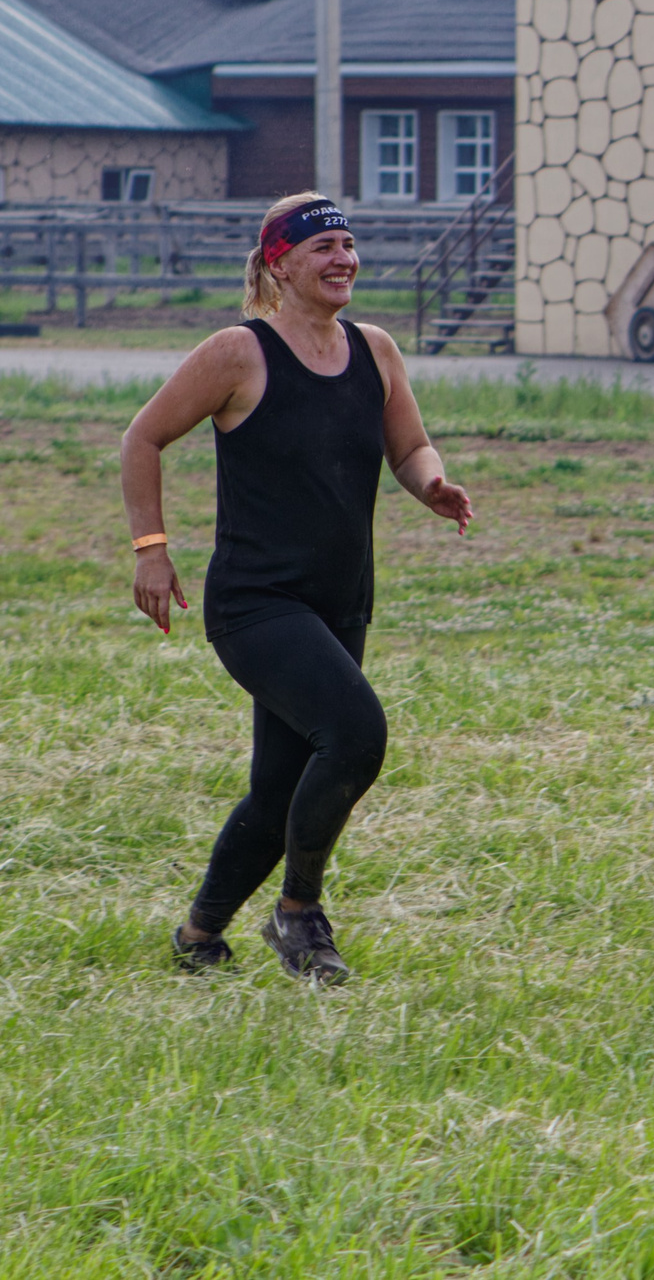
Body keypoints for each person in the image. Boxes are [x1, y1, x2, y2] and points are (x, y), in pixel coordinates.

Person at [126, 192, 474, 985]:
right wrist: (152, 550)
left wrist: (433, 484)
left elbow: (410, 443)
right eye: (324, 248)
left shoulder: (375, 349)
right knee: (355, 736)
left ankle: (199, 935)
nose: (343, 259)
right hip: (255, 604)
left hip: (342, 598)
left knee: (280, 789)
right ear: (279, 262)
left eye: (349, 244)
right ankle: (298, 915)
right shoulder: (237, 353)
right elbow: (142, 436)